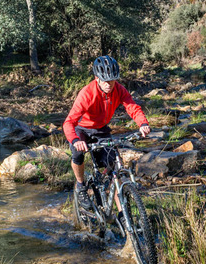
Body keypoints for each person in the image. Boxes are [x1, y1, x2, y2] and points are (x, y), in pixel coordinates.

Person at [63, 55, 151, 206]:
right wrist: (76, 140)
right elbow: (69, 122)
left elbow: (132, 107)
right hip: (82, 128)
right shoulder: (87, 94)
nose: (109, 84)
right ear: (97, 78)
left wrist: (142, 123)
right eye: (105, 80)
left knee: (116, 166)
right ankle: (80, 186)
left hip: (101, 129)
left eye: (112, 79)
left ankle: (123, 214)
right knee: (77, 154)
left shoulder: (118, 89)